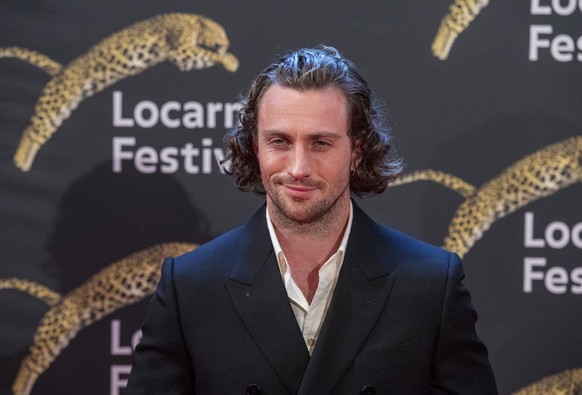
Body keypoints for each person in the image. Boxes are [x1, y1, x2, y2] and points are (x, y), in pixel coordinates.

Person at [126, 45, 497, 394]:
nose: (299, 168)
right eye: (280, 142)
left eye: (321, 143)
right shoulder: (190, 287)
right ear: (256, 148)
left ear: (357, 150)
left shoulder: (431, 283)